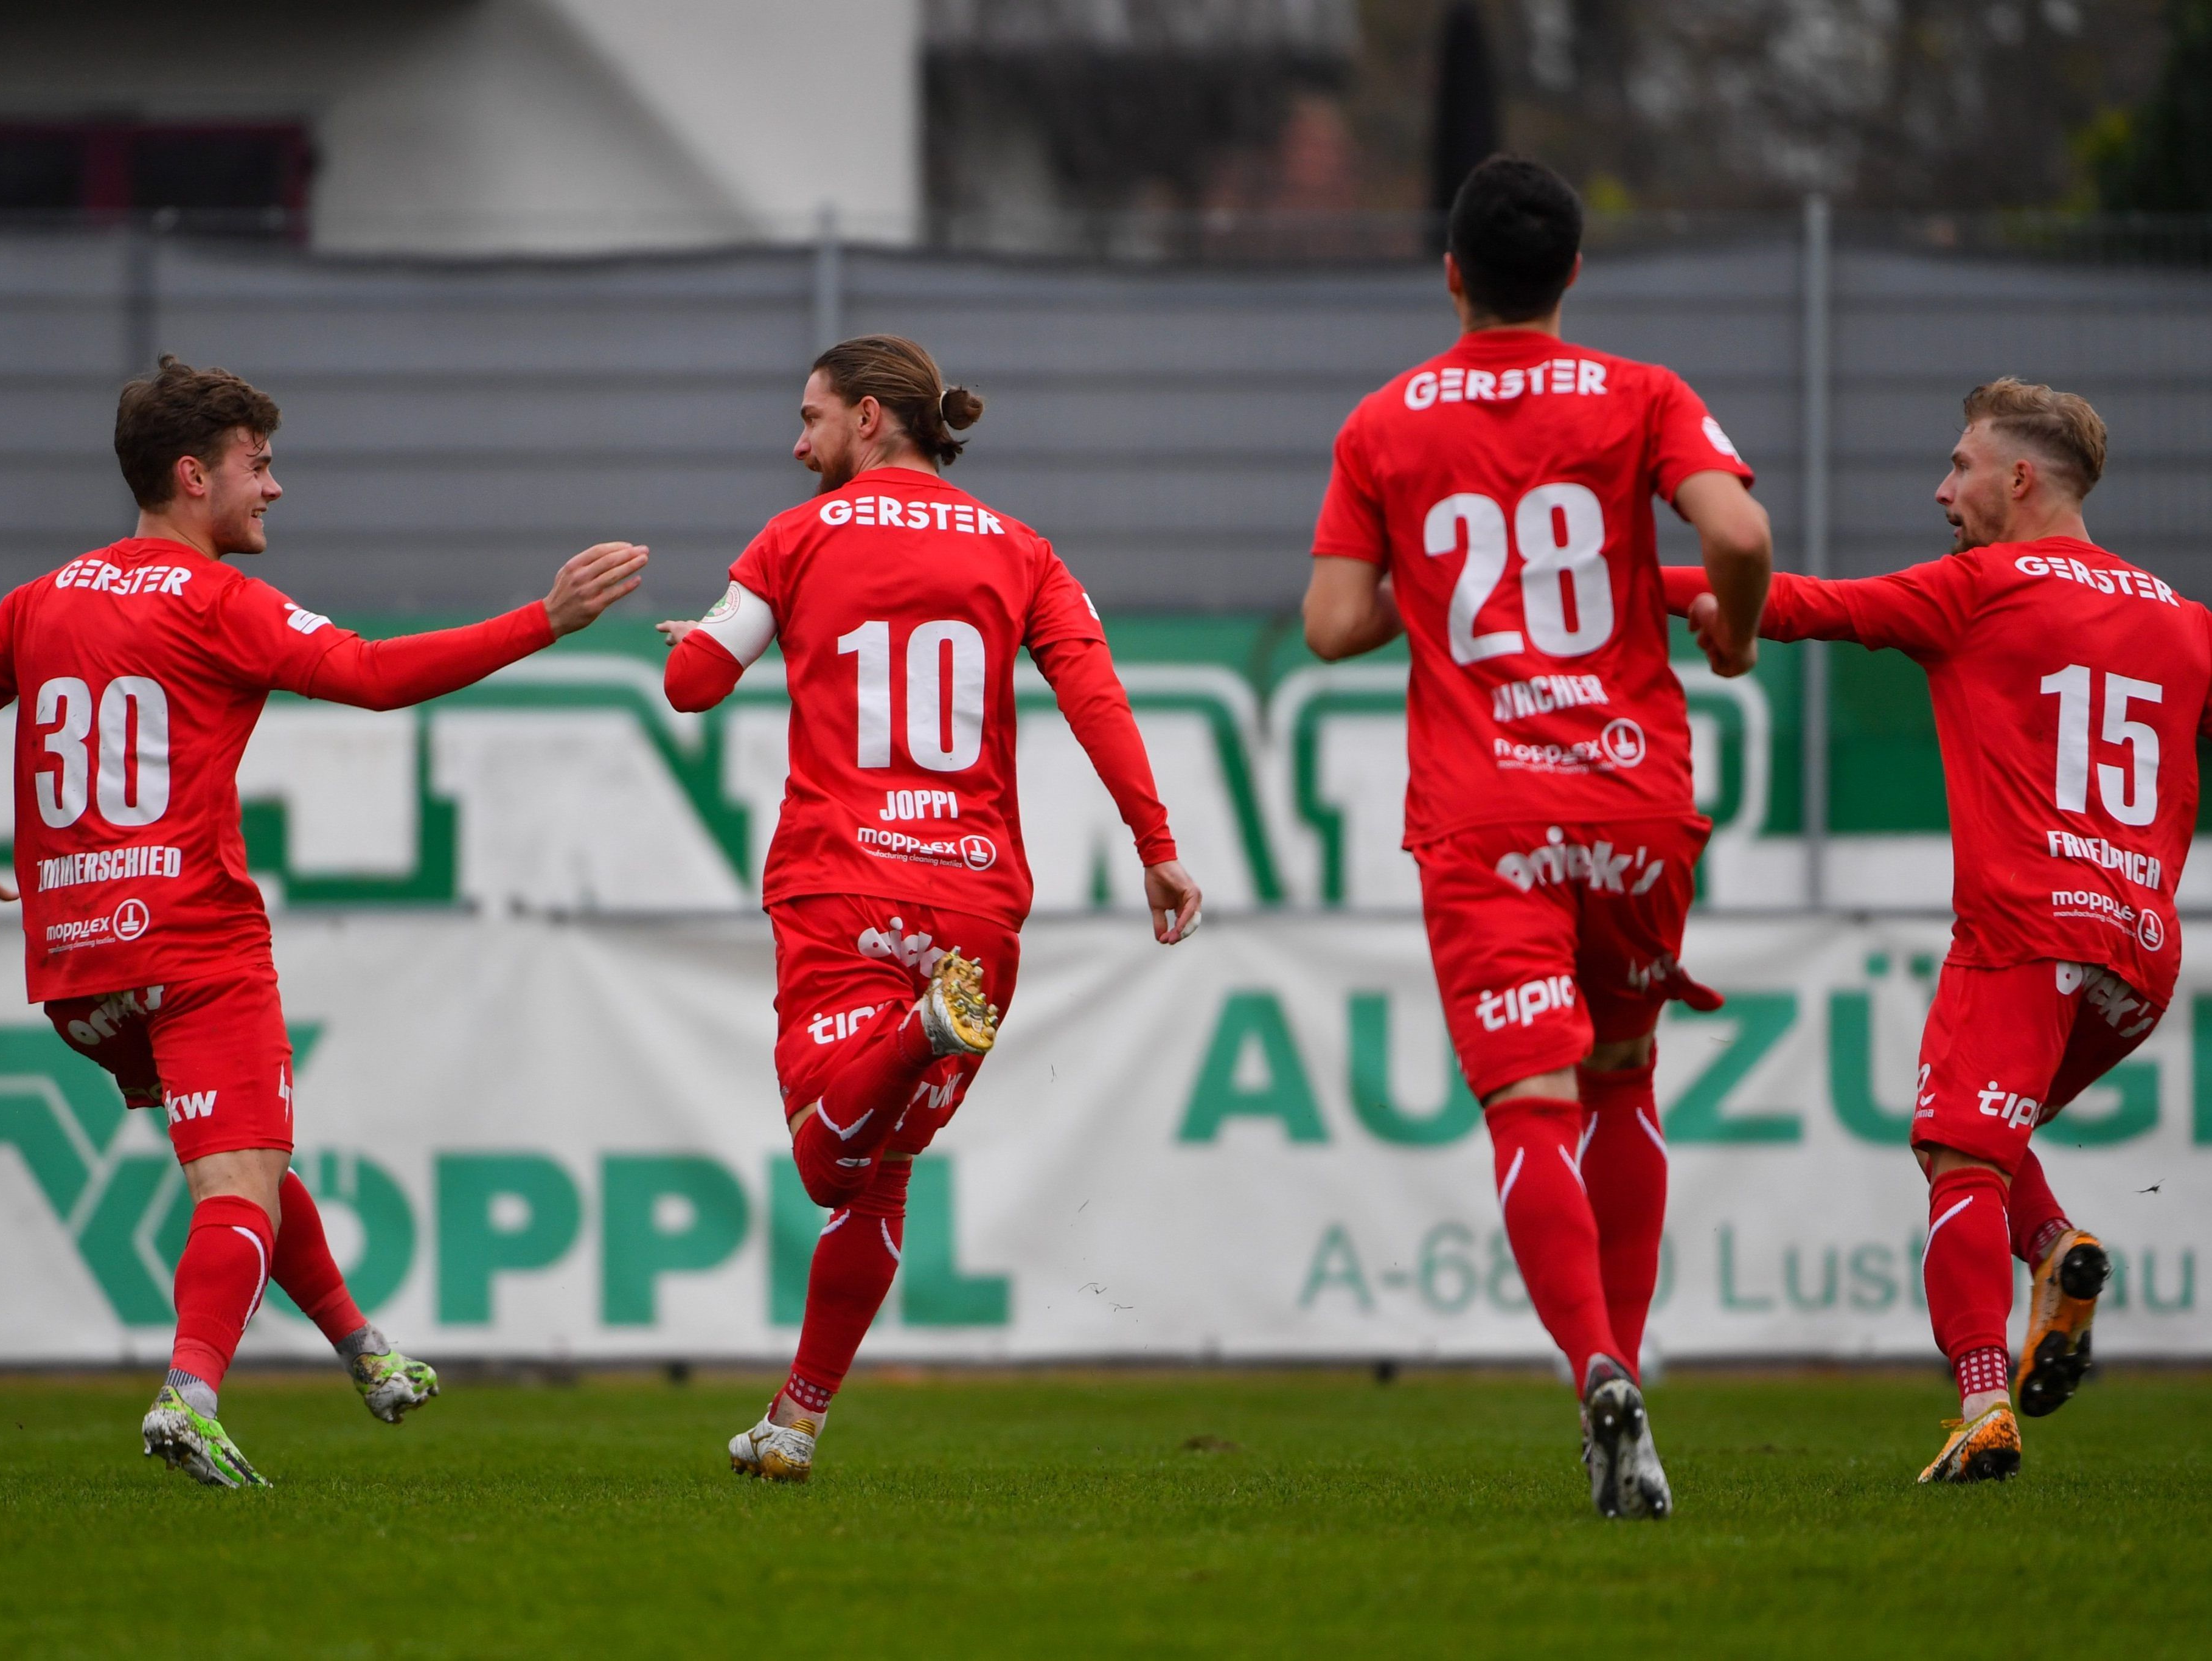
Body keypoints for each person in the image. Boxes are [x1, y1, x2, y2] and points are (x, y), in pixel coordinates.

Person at [0, 356, 647, 1486]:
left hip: (78, 972)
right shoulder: (216, 601)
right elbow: (373, 673)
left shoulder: (41, 600)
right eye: (259, 466)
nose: (276, 488)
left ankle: (364, 1347)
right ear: (194, 476)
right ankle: (189, 1394)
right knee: (238, 1179)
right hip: (192, 943)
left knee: (238, 1159)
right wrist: (544, 620)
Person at [1301, 156, 1772, 1519]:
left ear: (1450, 273)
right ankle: (1632, 1382)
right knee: (1624, 1079)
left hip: (1487, 811)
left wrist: (1427, 580)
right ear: (1573, 273)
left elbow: (1333, 626)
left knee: (1532, 1104)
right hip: (1632, 796)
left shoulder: (1382, 425)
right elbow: (1737, 528)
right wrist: (1734, 634)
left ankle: (1596, 1370)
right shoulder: (1643, 392)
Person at [659, 333, 1202, 1483]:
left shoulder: (796, 536)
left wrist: (708, 637)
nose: (795, 441)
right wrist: (1156, 848)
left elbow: (693, 688)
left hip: (841, 881)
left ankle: (914, 1033)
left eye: (809, 418)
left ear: (868, 419)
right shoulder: (1022, 549)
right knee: (885, 1173)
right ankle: (795, 1422)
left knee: (825, 1165)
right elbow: (1095, 695)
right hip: (975, 905)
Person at [1669, 378, 2192, 1485]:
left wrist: (1627, 588)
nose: (1940, 489)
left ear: (2018, 479)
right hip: (2138, 956)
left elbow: (1806, 605)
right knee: (1986, 1141)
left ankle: (1980, 1405)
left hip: (2022, 929)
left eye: (1959, 466)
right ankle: (2058, 1251)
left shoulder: (1979, 589)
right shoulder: (2184, 619)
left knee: (1958, 1157)